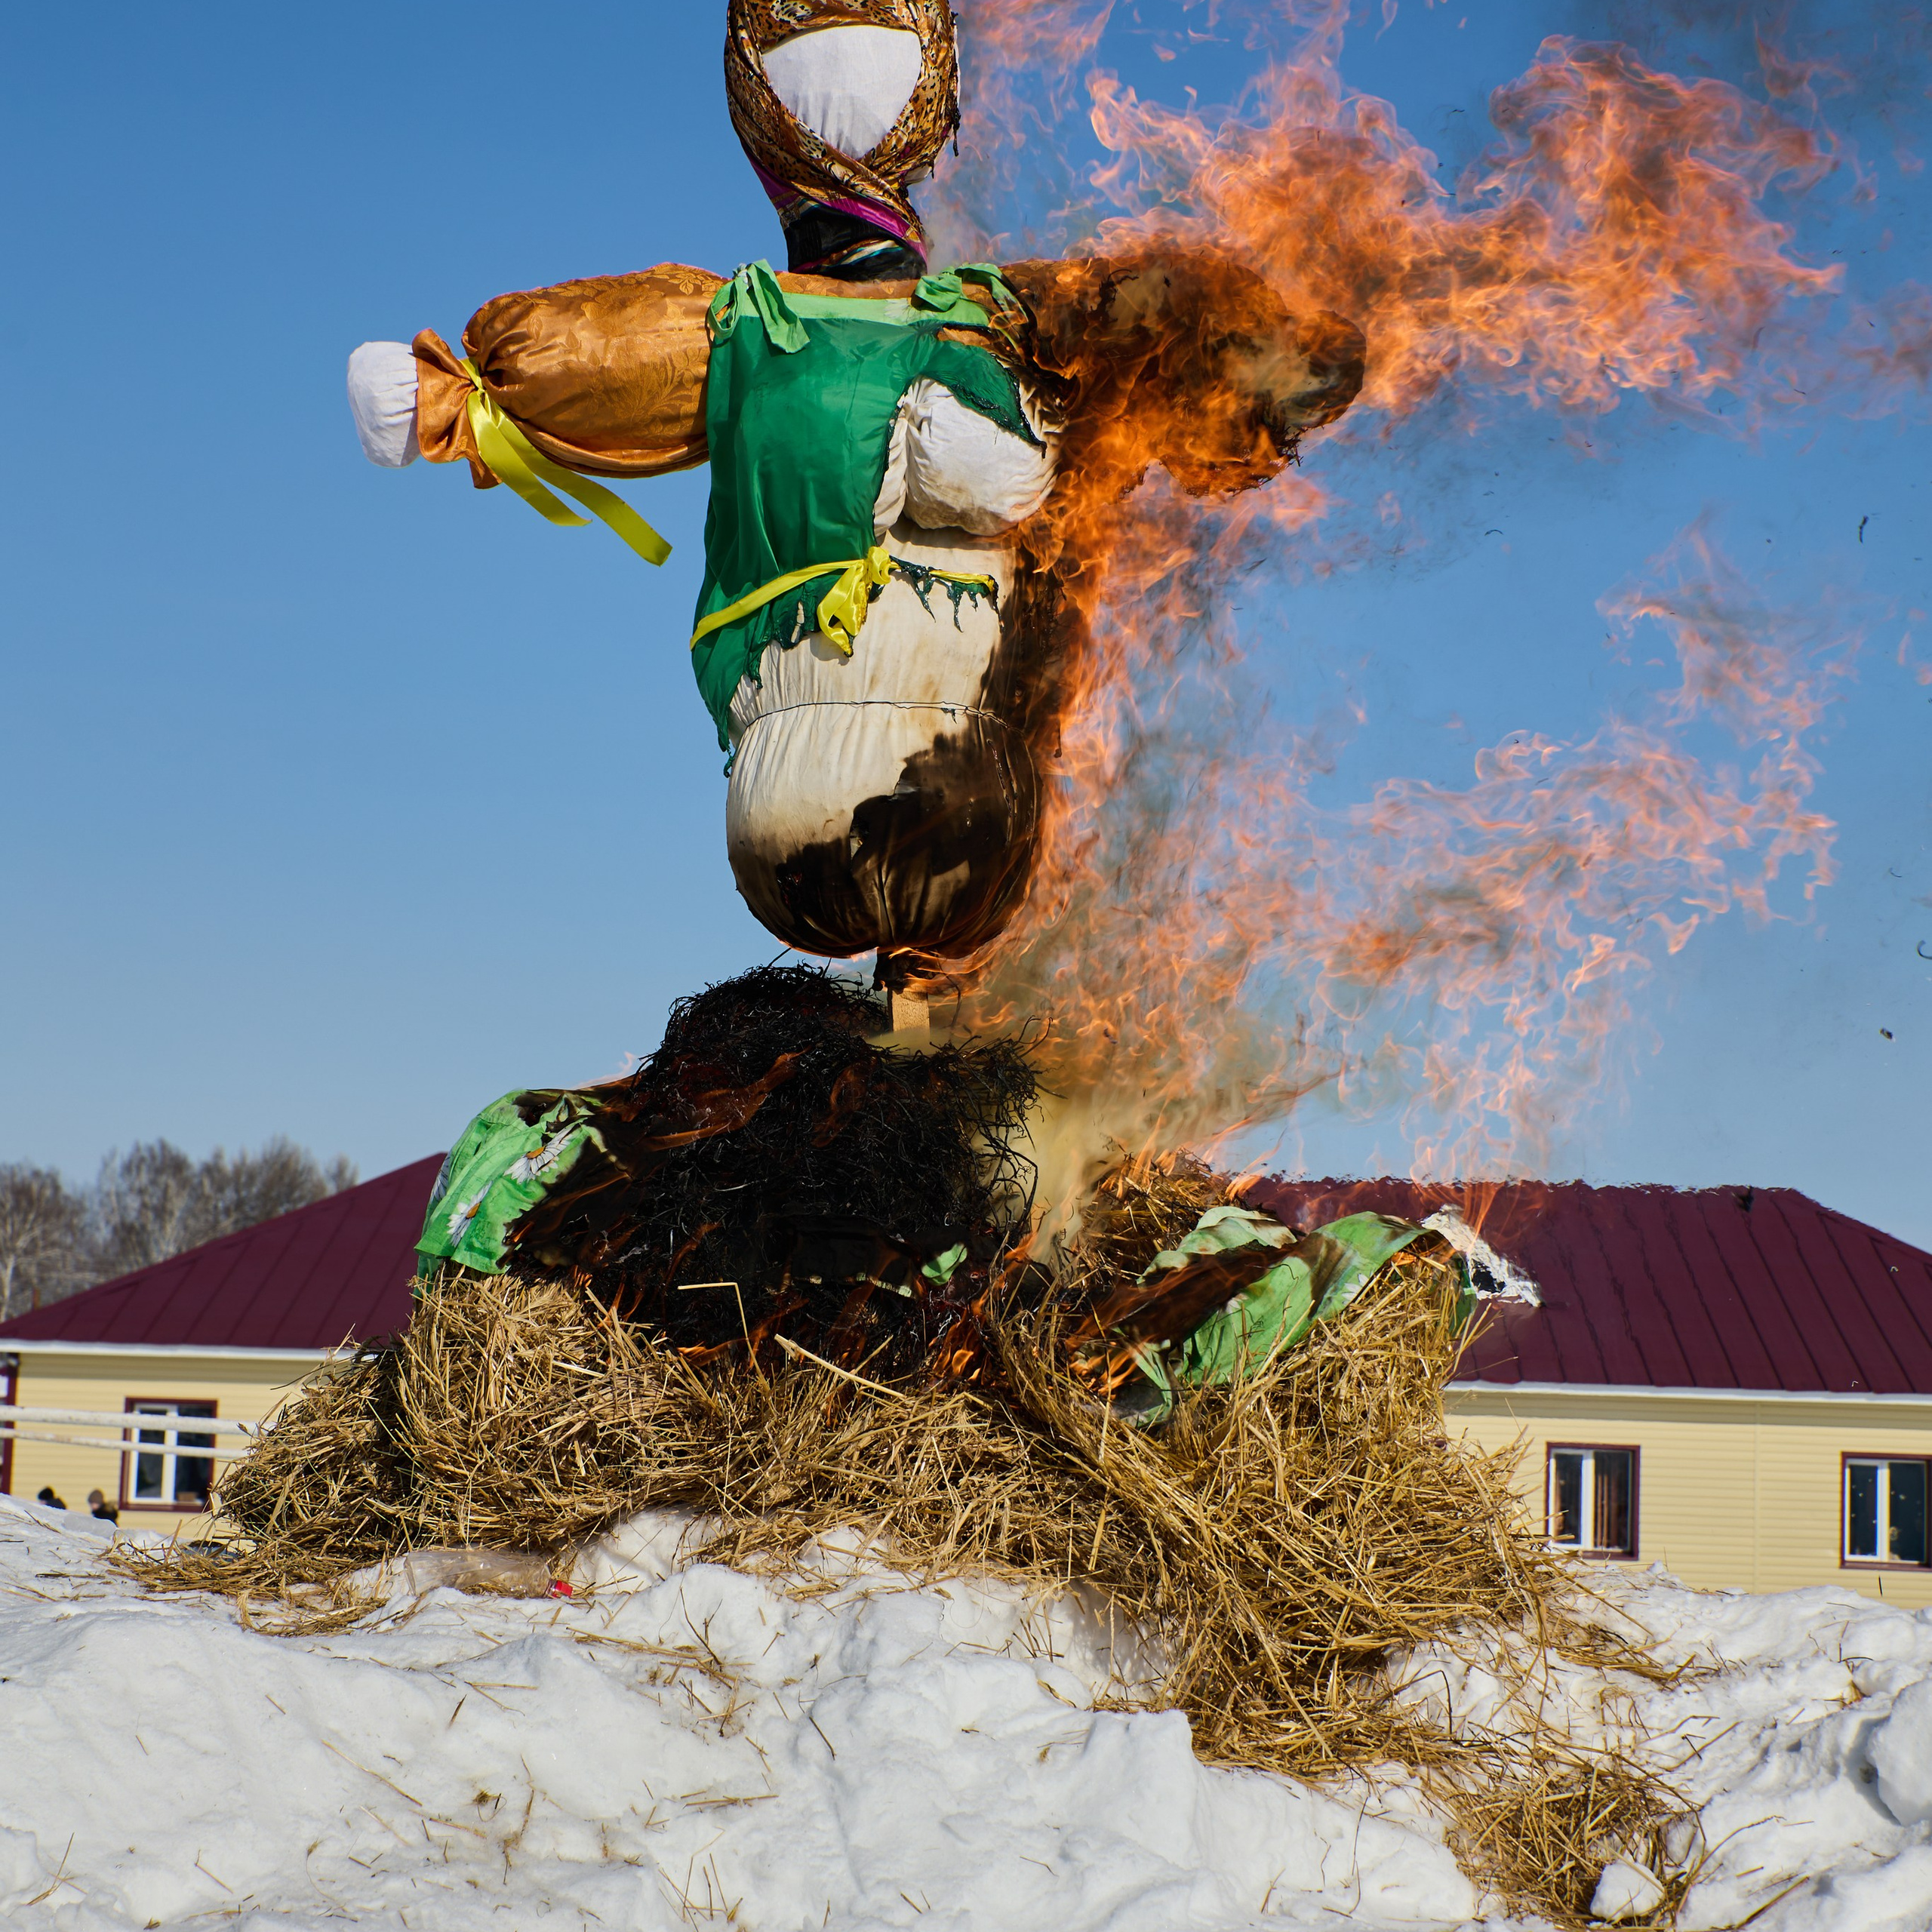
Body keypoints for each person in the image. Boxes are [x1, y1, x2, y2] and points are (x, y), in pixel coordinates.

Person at [345, 0, 1364, 994]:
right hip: (977, 815)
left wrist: (447, 390)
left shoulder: (738, 327)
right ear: (934, 107)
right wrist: (1280, 357)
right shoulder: (1011, 319)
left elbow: (589, 354)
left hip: (791, 835)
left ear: (760, 123)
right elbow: (1160, 315)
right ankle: (931, 1004)